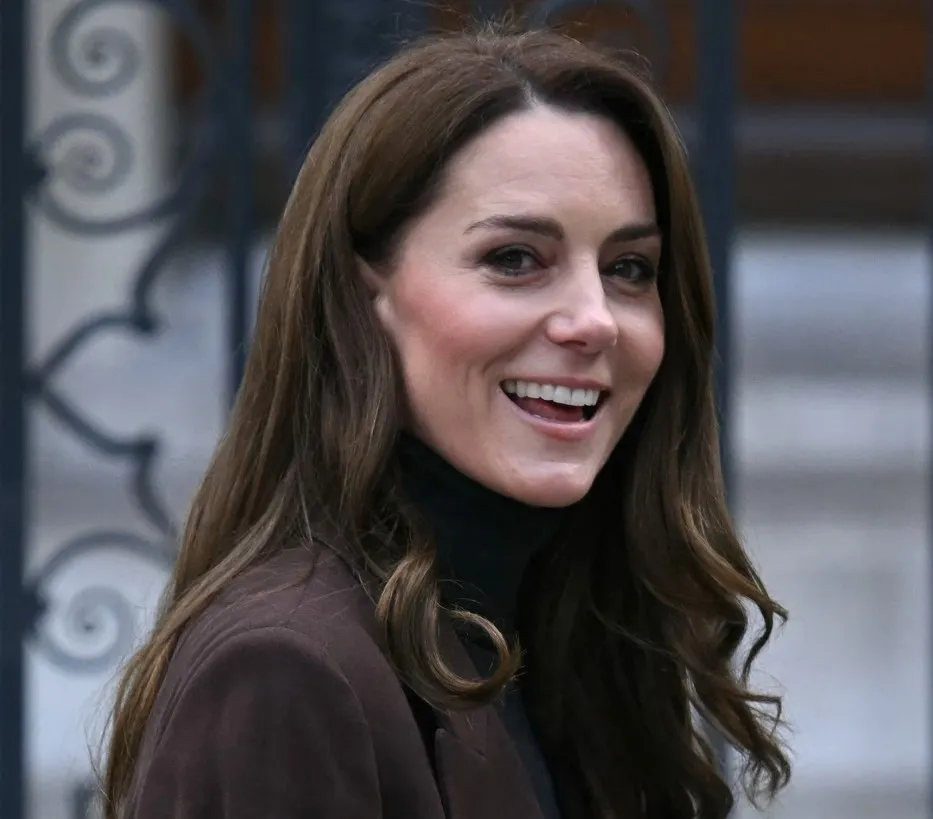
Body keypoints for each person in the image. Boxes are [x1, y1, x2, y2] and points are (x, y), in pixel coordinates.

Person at [100, 22, 790, 819]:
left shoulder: (576, 650)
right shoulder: (287, 671)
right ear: (366, 299)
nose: (594, 320)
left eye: (628, 268)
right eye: (515, 259)